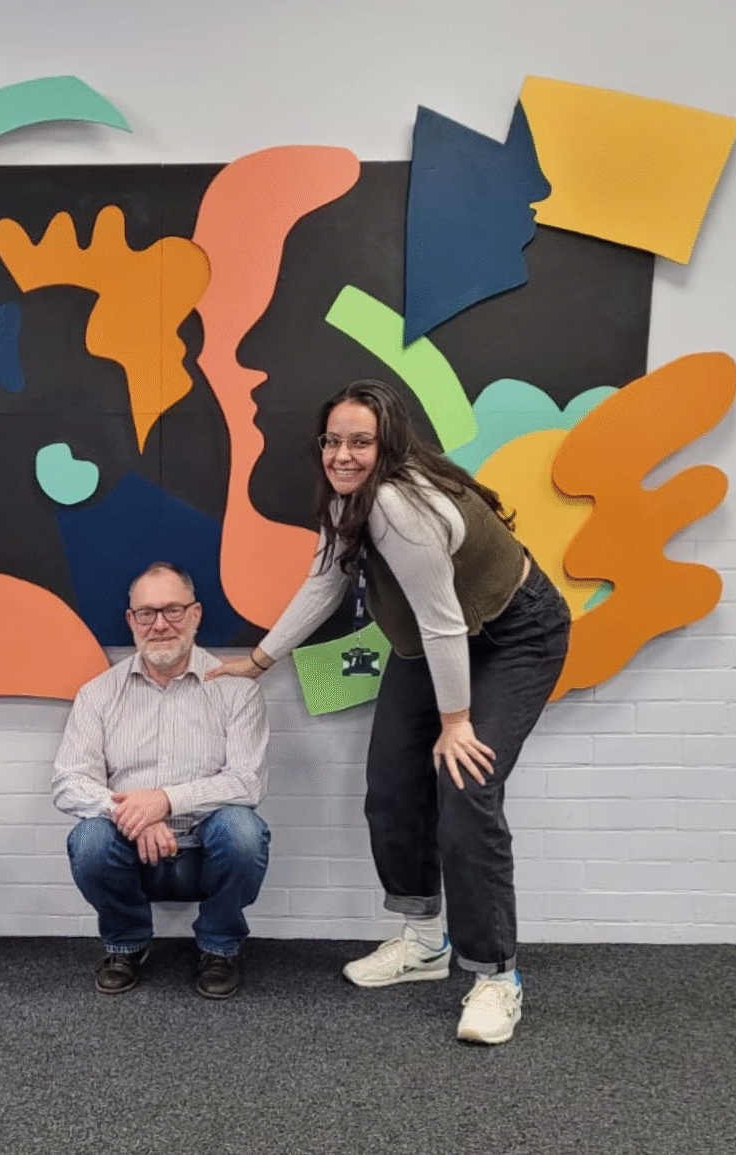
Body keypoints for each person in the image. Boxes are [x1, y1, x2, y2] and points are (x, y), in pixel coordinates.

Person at [211, 379, 570, 1044]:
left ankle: (496, 975)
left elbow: (442, 623)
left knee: (466, 788)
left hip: (515, 635)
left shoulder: (402, 507)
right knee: (393, 789)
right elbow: (325, 582)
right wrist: (258, 661)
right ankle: (426, 940)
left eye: (360, 442)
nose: (342, 454)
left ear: (389, 444)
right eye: (333, 440)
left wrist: (455, 722)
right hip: (436, 641)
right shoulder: (347, 500)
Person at [53, 562, 270, 999]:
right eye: (147, 614)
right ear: (132, 621)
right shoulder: (98, 694)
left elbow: (247, 783)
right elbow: (68, 781)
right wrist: (136, 813)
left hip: (207, 849)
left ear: (195, 615)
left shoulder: (237, 690)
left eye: (172, 610)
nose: (160, 625)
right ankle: (126, 943)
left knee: (244, 831)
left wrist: (165, 800)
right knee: (89, 838)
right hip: (131, 850)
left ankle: (219, 946)